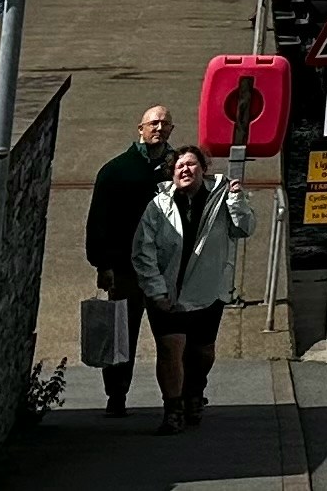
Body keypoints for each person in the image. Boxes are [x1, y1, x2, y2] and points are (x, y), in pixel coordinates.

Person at [126, 142, 246, 432]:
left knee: (202, 352)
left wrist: (236, 202)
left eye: (191, 164)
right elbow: (143, 250)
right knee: (170, 349)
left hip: (208, 292)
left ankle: (194, 392)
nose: (184, 169)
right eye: (179, 166)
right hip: (167, 294)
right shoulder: (158, 205)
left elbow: (243, 229)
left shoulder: (222, 198)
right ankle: (173, 409)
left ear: (204, 170)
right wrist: (155, 290)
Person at [81, 104, 171, 417]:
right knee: (121, 334)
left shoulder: (179, 168)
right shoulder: (116, 171)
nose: (158, 128)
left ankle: (176, 399)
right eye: (153, 123)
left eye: (164, 124)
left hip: (166, 270)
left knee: (172, 338)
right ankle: (116, 396)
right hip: (125, 270)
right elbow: (98, 223)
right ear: (140, 129)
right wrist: (101, 264)